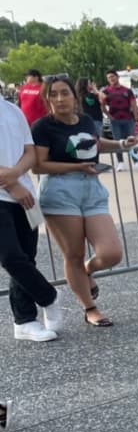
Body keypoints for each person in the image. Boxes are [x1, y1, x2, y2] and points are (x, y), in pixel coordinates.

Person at [31, 75, 137, 328]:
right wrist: (74, 167)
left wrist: (122, 143)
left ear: (74, 96)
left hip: (91, 189)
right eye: (53, 94)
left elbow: (95, 144)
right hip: (59, 191)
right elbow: (38, 165)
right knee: (74, 254)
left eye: (64, 93)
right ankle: (90, 307)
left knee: (111, 253)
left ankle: (87, 272)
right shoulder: (42, 127)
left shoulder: (87, 120)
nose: (60, 99)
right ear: (47, 99)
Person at [1, 92, 63, 342]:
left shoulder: (13, 110)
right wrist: (11, 184)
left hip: (26, 195)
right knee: (11, 257)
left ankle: (25, 320)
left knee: (28, 257)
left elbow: (30, 152)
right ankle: (49, 296)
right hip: (9, 194)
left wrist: (16, 174)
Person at [102, 69, 138, 171]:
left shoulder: (127, 90)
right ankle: (120, 162)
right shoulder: (106, 91)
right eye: (108, 78)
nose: (111, 79)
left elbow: (133, 105)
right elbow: (102, 104)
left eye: (112, 76)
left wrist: (137, 119)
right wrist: (107, 115)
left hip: (128, 119)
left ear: (117, 77)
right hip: (115, 120)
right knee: (117, 141)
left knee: (132, 140)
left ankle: (136, 162)